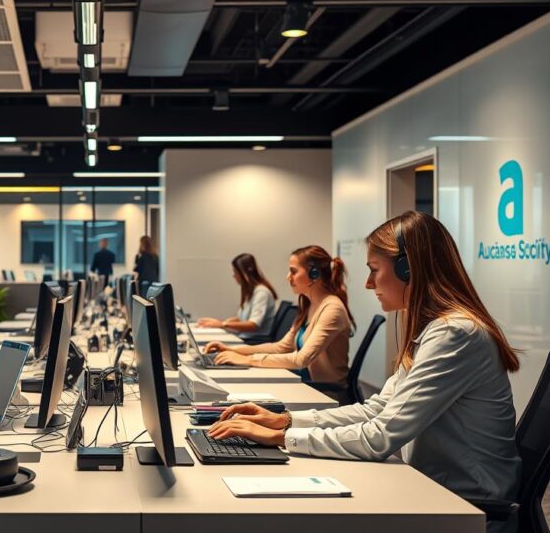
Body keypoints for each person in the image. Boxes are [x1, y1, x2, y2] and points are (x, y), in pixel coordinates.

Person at [207, 212, 521, 530]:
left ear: (408, 269)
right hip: (429, 486)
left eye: (374, 271)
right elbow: (378, 408)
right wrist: (287, 420)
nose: (368, 284)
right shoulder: (433, 329)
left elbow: (380, 436)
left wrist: (282, 437)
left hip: (464, 505)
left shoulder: (455, 333)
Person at [204, 245, 354, 387]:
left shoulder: (332, 308)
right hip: (304, 383)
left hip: (326, 393)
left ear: (314, 274)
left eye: (293, 271)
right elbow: (281, 347)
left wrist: (247, 360)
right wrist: (230, 350)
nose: (288, 277)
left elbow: (301, 359)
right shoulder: (308, 305)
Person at [196, 253, 278, 334]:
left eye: (235, 272)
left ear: (245, 273)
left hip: (254, 342)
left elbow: (253, 324)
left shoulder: (261, 293)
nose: (233, 275)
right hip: (247, 339)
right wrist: (219, 323)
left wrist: (222, 324)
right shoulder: (251, 292)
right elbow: (242, 319)